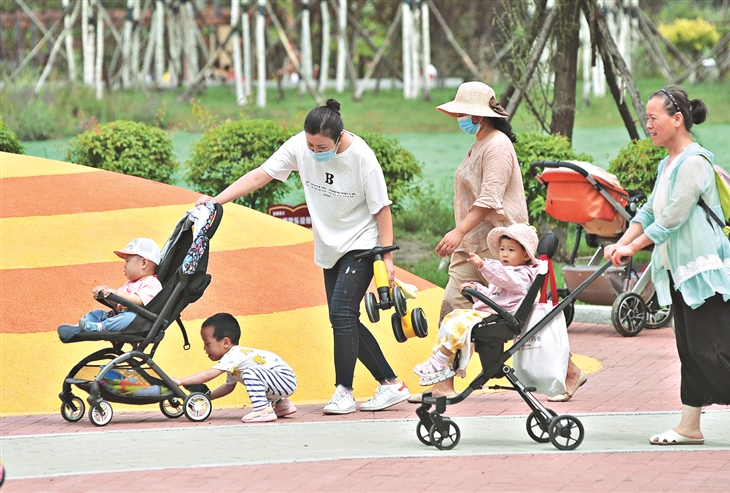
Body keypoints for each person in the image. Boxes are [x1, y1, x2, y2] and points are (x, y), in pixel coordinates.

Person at [195, 99, 410, 415]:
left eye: (321, 145)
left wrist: (387, 259)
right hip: (329, 246)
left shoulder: (362, 156)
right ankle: (391, 384)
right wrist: (217, 201)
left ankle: (344, 391)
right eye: (309, 143)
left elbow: (382, 208)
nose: (313, 150)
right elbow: (259, 175)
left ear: (338, 138)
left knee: (341, 315)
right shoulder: (300, 146)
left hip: (363, 243)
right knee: (344, 318)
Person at [604, 85, 730, 445]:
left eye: (653, 117)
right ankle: (689, 426)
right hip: (680, 270)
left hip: (703, 270)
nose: (647, 124)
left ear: (677, 119)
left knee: (714, 348)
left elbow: (671, 220)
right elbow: (649, 211)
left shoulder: (695, 162)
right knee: (690, 350)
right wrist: (622, 241)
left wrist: (631, 247)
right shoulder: (668, 164)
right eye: (645, 118)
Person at [410, 81, 587, 403]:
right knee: (455, 304)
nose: (460, 118)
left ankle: (567, 370)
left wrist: (458, 232)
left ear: (479, 116)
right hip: (475, 246)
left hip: (504, 245)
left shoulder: (497, 146)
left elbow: (490, 198)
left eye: (464, 112)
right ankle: (443, 383)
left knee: (514, 315)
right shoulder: (481, 142)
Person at [414, 223, 538, 385]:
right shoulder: (507, 271)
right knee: (451, 317)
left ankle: (439, 361)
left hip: (502, 319)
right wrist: (476, 288)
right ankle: (439, 361)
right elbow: (493, 295)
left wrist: (483, 265)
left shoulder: (521, 276)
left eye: (511, 250)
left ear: (526, 255)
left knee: (458, 323)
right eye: (502, 249)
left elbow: (504, 278)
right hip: (493, 314)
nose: (504, 254)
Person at [172, 313, 298, 423]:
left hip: (284, 378)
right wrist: (208, 397)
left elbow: (209, 374)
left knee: (250, 374)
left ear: (226, 342)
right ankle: (283, 405)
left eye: (207, 343)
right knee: (254, 376)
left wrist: (182, 381)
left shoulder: (234, 354)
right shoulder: (235, 362)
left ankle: (262, 410)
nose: (204, 348)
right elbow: (228, 387)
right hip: (281, 381)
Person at [58, 238, 163, 339]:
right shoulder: (131, 283)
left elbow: (140, 300)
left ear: (144, 263)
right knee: (96, 313)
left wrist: (118, 294)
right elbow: (117, 303)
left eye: (127, 261)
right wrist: (106, 293)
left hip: (136, 323)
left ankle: (98, 327)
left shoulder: (152, 284)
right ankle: (80, 327)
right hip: (116, 316)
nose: (124, 266)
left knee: (129, 318)